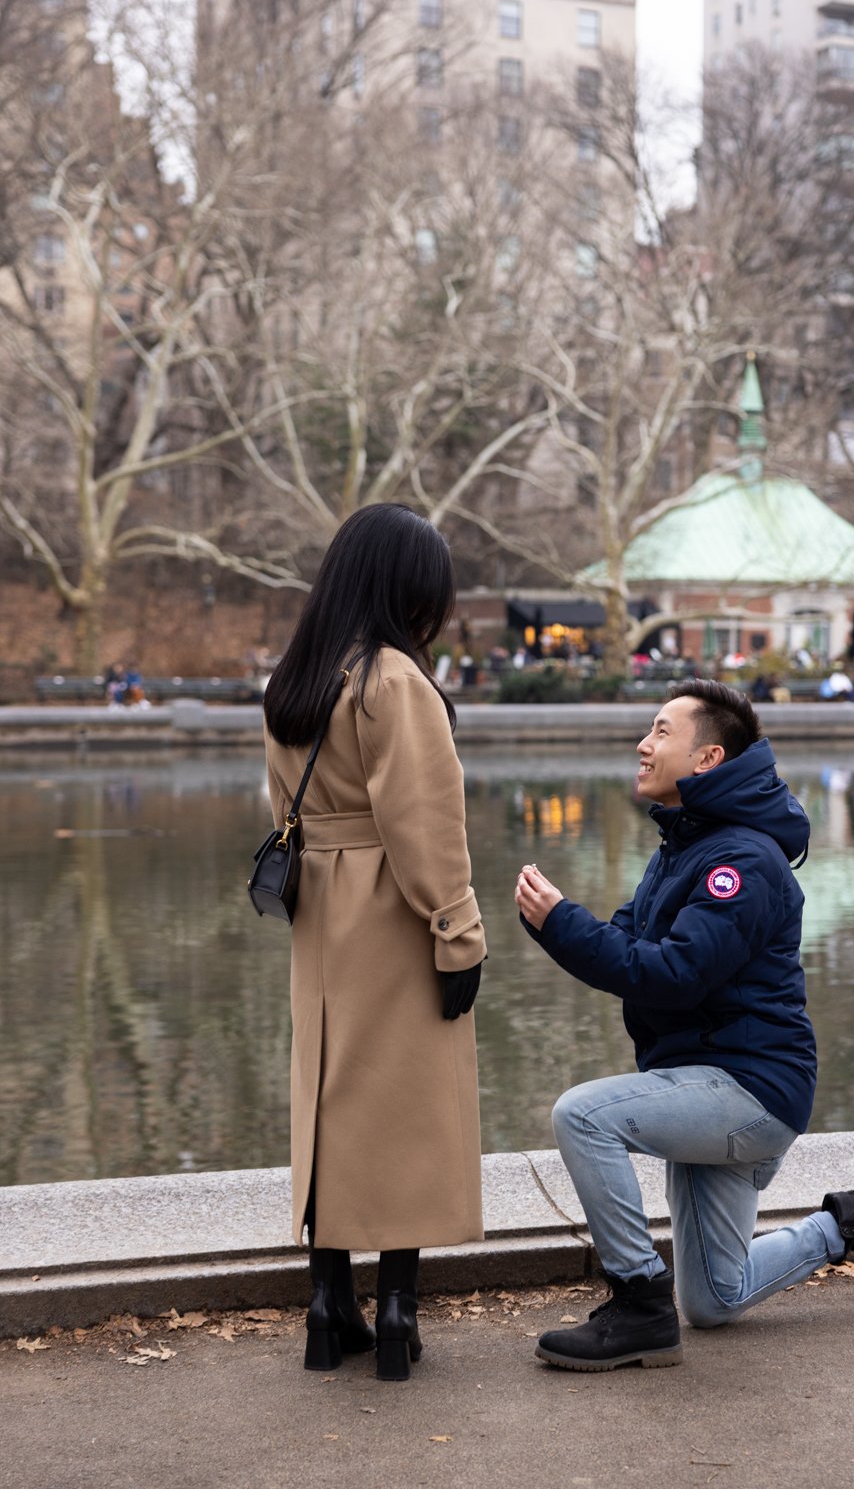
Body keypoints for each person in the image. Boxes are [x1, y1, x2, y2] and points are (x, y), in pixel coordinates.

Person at [515, 679, 854, 1372]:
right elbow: (627, 949)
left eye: (659, 732)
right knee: (713, 1299)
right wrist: (559, 925)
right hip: (700, 1082)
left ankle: (637, 1302)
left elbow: (672, 975)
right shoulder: (683, 847)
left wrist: (561, 922)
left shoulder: (742, 861)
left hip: (748, 1090)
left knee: (583, 1116)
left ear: (706, 759)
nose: (642, 746)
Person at [262, 503, 486, 1383]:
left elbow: (280, 811)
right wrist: (458, 932)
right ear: (405, 587)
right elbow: (426, 823)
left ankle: (328, 1305)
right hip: (394, 908)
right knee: (407, 1107)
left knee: (327, 1095)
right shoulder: (395, 679)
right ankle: (396, 1310)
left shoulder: (297, 677)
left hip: (321, 905)